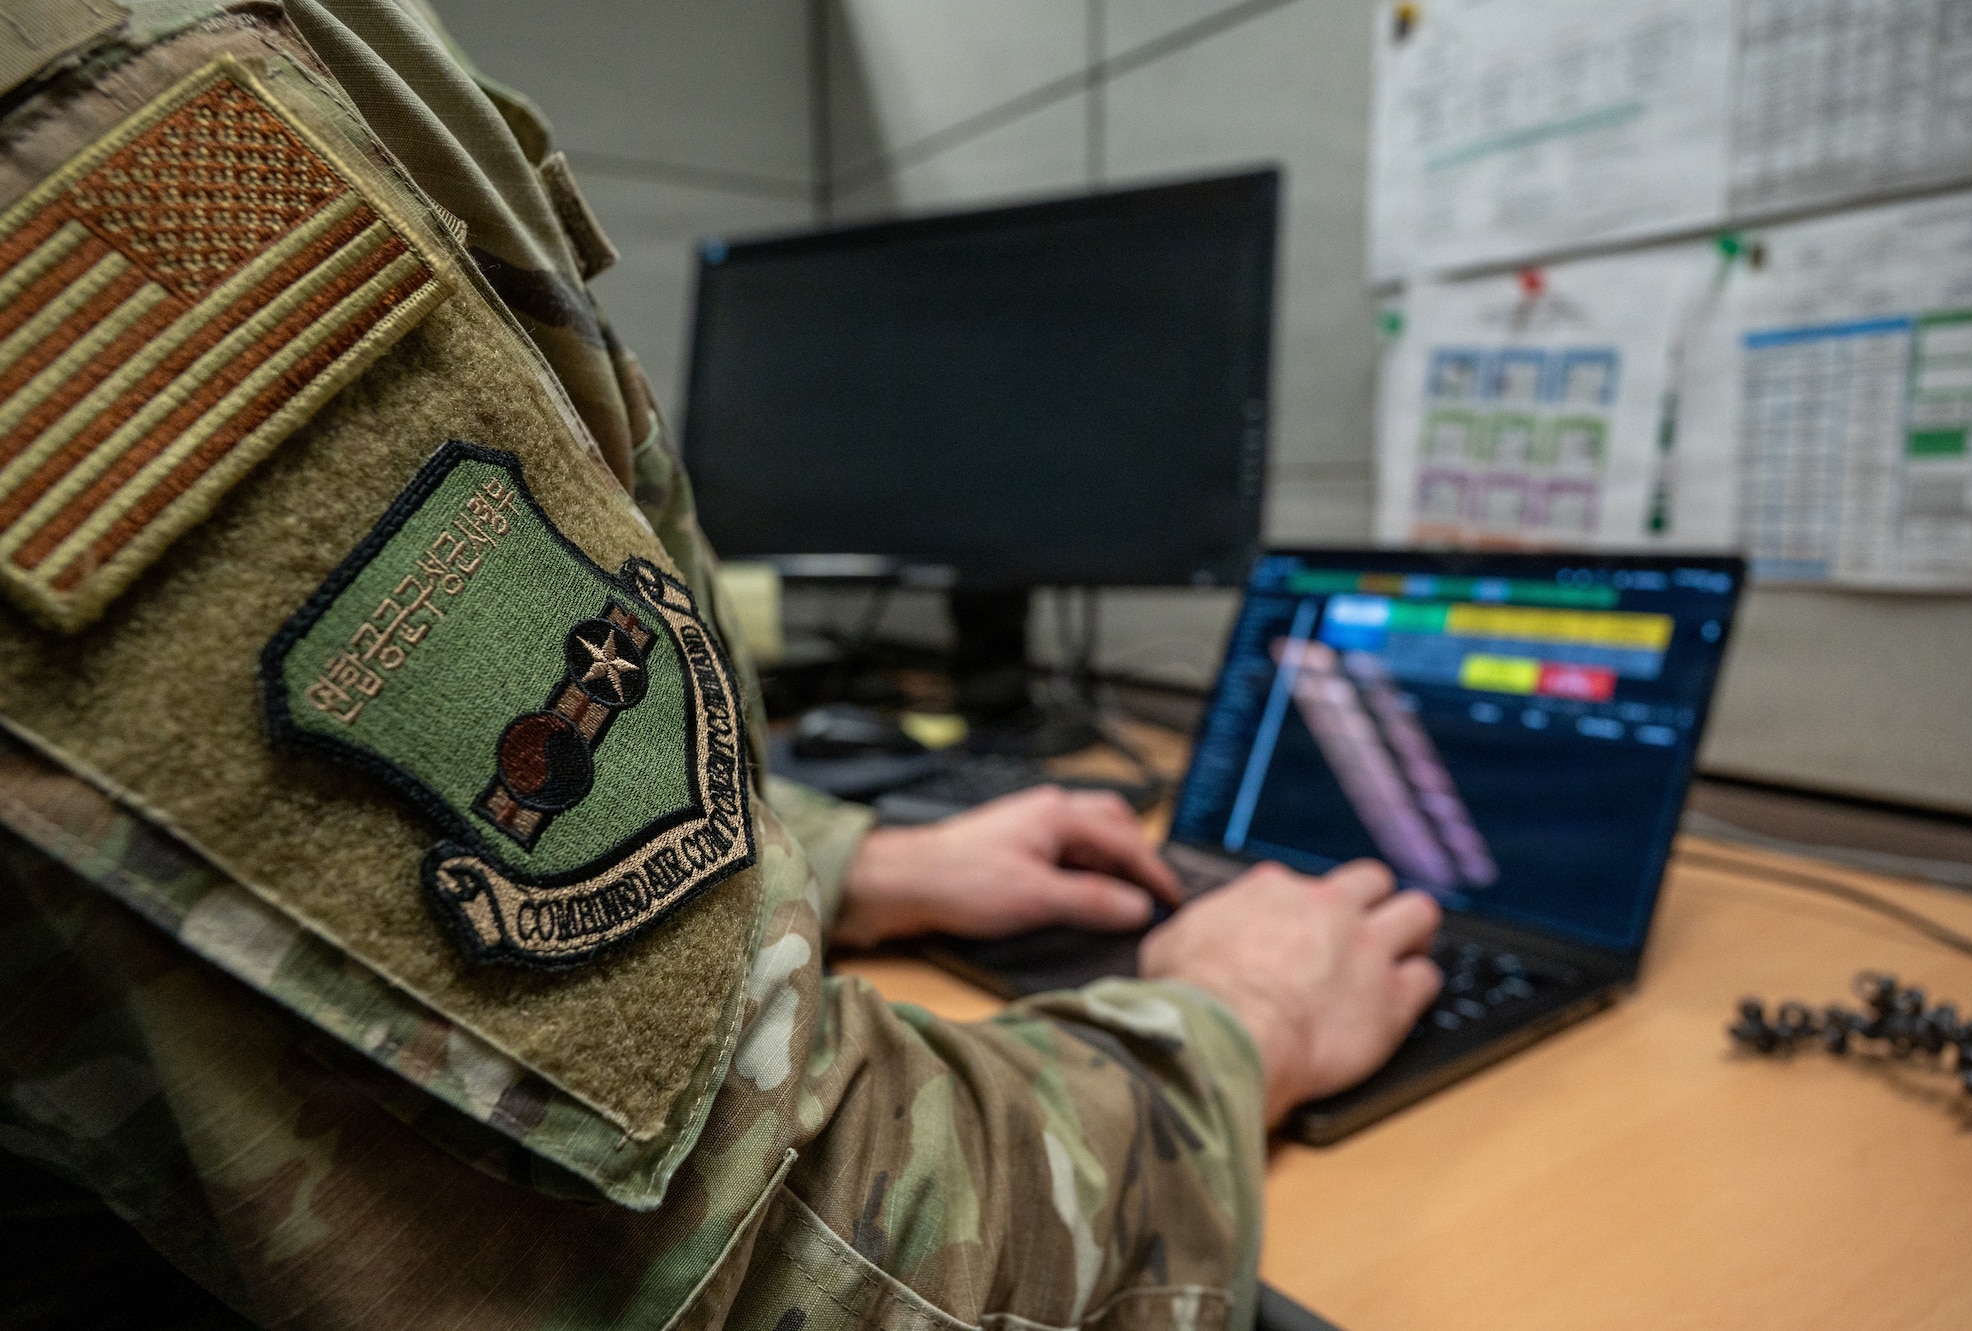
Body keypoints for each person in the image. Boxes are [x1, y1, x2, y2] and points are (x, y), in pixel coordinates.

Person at [0, 2, 1442, 1328]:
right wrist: (1238, 1023)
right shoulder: (117, 109)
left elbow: (302, 842)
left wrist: (866, 859)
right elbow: (791, 1260)